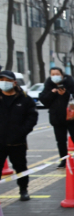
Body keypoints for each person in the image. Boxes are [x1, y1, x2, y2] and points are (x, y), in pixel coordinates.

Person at [39, 67, 74, 168]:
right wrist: (52, 93)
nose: (55, 76)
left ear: (62, 75)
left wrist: (66, 94)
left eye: (57, 74)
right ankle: (63, 160)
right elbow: (44, 101)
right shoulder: (48, 86)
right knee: (60, 141)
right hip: (57, 118)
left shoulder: (70, 84)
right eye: (52, 74)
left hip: (72, 118)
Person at [0, 70, 38, 201]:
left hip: (17, 141)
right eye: (1, 80)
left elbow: (32, 117)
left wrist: (22, 131)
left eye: (7, 80)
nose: (4, 83)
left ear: (14, 82)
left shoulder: (24, 98)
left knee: (20, 166)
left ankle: (23, 189)